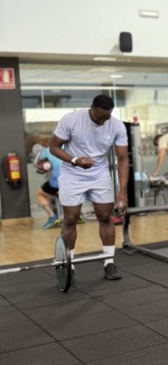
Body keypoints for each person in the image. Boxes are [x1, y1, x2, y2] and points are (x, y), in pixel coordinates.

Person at [50, 95, 129, 281]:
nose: (101, 121)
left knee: (105, 217)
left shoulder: (117, 126)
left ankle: (109, 262)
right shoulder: (71, 119)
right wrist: (75, 160)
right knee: (71, 219)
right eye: (98, 117)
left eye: (105, 118)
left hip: (99, 174)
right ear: (91, 108)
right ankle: (68, 264)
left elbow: (123, 159)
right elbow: (54, 147)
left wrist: (122, 193)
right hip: (72, 174)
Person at [35, 144, 62, 229]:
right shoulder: (70, 147)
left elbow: (36, 163)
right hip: (72, 181)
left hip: (56, 183)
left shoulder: (47, 150)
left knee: (39, 193)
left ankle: (52, 216)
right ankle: (79, 215)